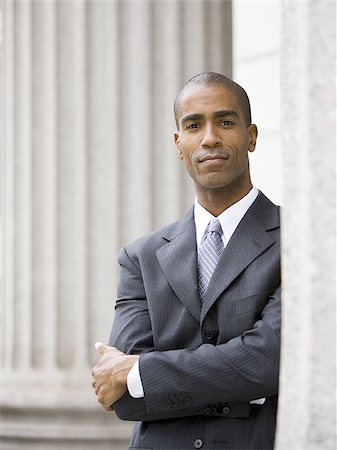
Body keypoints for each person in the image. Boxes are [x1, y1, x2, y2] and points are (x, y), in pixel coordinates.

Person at [92, 72, 281, 450]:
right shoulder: (141, 258)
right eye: (194, 125)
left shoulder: (299, 241)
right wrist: (238, 380)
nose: (210, 137)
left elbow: (269, 360)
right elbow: (124, 398)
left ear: (252, 136)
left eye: (225, 122)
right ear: (179, 143)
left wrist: (143, 372)